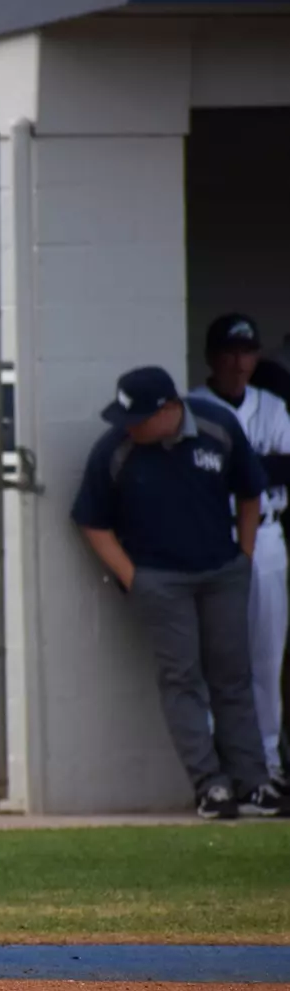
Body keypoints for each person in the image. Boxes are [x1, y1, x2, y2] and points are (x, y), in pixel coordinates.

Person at [71, 365, 280, 819]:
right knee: (182, 678)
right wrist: (134, 577)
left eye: (140, 417)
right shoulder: (115, 450)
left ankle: (253, 782)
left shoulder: (216, 428)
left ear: (170, 410)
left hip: (221, 571)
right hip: (161, 581)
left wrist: (243, 559)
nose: (131, 427)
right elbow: (91, 519)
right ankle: (210, 785)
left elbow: (250, 491)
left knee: (233, 675)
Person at [191, 314, 290, 793]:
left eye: (246, 352)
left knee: (266, 658)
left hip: (267, 537)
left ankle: (268, 761)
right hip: (210, 537)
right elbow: (199, 476)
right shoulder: (193, 406)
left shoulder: (272, 407)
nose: (238, 362)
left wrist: (238, 463)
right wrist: (257, 463)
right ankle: (223, 767)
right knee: (218, 658)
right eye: (229, 352)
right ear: (212, 356)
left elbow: (285, 468)